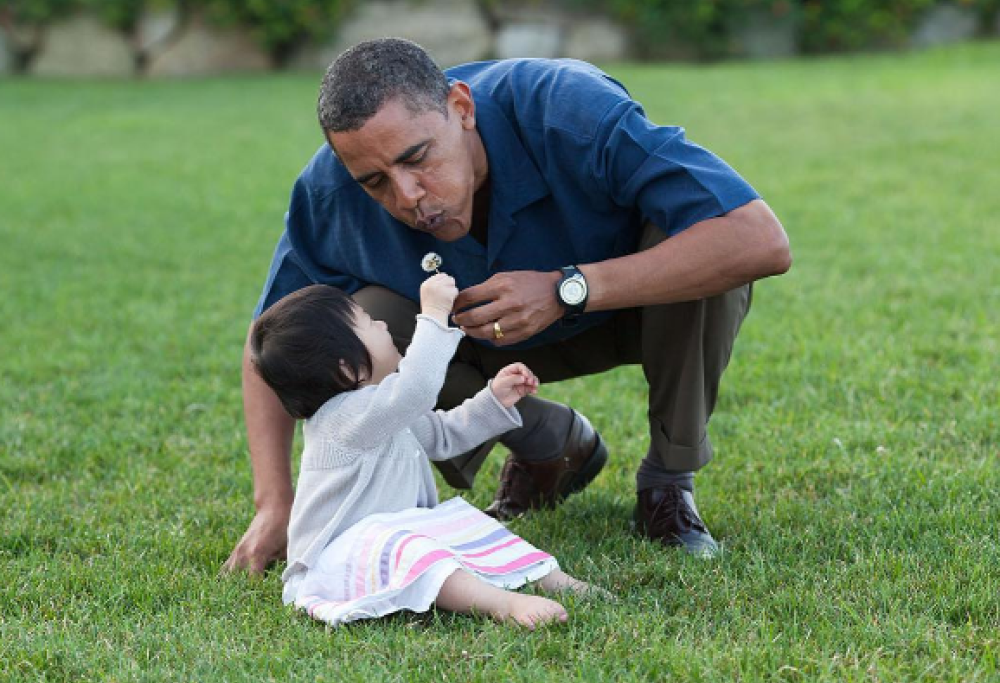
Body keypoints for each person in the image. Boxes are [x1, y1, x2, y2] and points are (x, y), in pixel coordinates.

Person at [223, 37, 791, 574]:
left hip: (626, 317)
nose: (408, 197)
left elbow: (757, 238)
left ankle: (668, 481)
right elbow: (270, 341)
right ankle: (551, 446)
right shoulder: (329, 194)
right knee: (364, 319)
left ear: (461, 107)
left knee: (700, 242)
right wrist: (275, 501)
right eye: (375, 182)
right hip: (480, 352)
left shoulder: (568, 107)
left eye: (417, 157)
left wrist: (569, 288)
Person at [250, 275, 598, 628]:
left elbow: (442, 436)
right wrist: (433, 313)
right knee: (410, 546)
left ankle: (554, 580)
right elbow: (418, 387)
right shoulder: (343, 417)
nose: (383, 324)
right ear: (348, 368)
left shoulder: (381, 409)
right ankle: (502, 602)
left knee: (465, 523)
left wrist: (493, 401)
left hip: (395, 542)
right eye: (369, 323)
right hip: (340, 560)